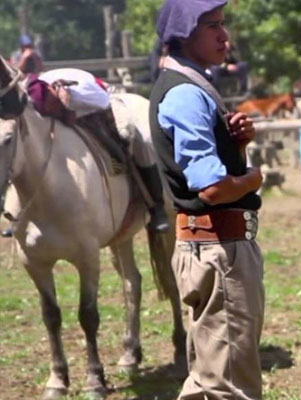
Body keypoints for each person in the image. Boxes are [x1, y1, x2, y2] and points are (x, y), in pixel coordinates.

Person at [150, 0, 265, 398]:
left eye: (223, 24)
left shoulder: (193, 86)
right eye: (212, 26)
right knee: (230, 387)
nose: (224, 36)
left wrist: (237, 146)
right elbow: (212, 188)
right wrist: (253, 177)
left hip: (211, 246)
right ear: (183, 34)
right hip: (220, 250)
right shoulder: (186, 95)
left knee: (208, 381)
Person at [25, 68, 170, 233]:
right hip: (70, 106)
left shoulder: (82, 93)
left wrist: (71, 111)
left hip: (104, 102)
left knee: (138, 139)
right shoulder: (36, 93)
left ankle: (157, 207)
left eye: (53, 108)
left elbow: (103, 103)